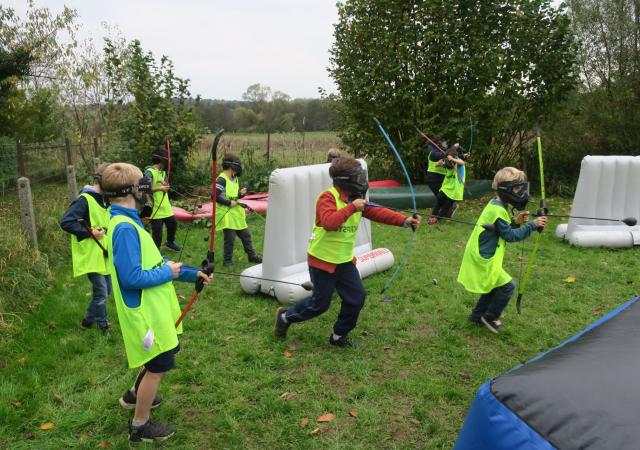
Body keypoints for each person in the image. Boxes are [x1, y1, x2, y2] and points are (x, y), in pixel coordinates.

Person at [101, 162, 212, 442]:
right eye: (145, 186)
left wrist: (189, 273)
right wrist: (168, 272)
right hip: (144, 315)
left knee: (155, 360)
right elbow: (131, 277)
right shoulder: (125, 228)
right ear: (134, 191)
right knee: (158, 365)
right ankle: (140, 425)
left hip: (153, 310)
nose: (148, 191)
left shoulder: (129, 220)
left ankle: (132, 397)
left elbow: (153, 261)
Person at [273, 157, 421, 348]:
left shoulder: (355, 200)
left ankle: (338, 336)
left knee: (356, 298)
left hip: (344, 262)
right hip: (322, 261)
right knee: (320, 304)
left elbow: (377, 212)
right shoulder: (327, 197)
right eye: (357, 178)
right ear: (344, 181)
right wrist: (352, 208)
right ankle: (285, 317)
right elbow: (329, 223)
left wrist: (404, 220)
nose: (361, 181)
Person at [457, 167, 547, 333]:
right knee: (507, 286)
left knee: (494, 287)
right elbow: (510, 236)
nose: (521, 192)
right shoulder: (498, 209)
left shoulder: (497, 204)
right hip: (484, 259)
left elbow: (502, 228)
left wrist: (516, 221)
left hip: (485, 255)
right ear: (506, 189)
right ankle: (489, 317)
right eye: (517, 189)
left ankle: (477, 316)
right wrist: (531, 226)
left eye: (522, 188)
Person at [60, 163, 112, 334]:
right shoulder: (84, 199)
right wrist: (90, 233)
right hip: (91, 254)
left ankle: (88, 320)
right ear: (103, 181)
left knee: (107, 290)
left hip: (104, 253)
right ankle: (103, 325)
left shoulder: (104, 198)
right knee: (102, 292)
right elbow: (66, 222)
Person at [215, 153, 262, 267]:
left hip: (236, 212)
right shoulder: (221, 179)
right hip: (226, 215)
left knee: (246, 235)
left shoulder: (234, 178)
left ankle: (252, 256)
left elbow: (234, 197)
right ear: (232, 168)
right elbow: (214, 196)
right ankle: (227, 261)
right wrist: (228, 202)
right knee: (230, 239)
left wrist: (240, 195)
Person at [145, 146, 181, 251]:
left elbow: (165, 185)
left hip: (165, 207)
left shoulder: (162, 172)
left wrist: (166, 185)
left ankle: (170, 243)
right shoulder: (149, 172)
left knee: (172, 224)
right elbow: (144, 188)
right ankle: (155, 252)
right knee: (157, 233)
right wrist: (160, 188)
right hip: (155, 208)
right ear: (161, 160)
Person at [429, 146, 466, 224]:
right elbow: (437, 165)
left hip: (455, 188)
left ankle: (437, 219)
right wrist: (439, 164)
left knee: (447, 205)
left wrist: (452, 159)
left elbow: (462, 162)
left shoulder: (458, 162)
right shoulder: (447, 162)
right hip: (447, 186)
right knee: (439, 198)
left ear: (454, 157)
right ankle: (433, 216)